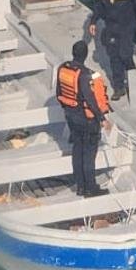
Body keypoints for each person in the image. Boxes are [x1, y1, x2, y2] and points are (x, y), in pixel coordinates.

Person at [54, 41, 111, 198]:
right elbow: (90, 99)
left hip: (71, 117)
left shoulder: (63, 68)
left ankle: (80, 187)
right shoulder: (84, 74)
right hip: (86, 121)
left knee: (77, 151)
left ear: (73, 53)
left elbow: (58, 92)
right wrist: (102, 118)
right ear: (85, 55)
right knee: (88, 155)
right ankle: (90, 188)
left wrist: (68, 109)